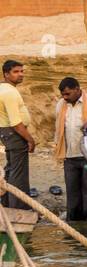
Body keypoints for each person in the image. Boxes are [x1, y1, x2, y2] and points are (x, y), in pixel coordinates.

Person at [53, 77, 87, 220]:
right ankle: (74, 221)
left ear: (77, 90)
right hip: (70, 155)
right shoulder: (61, 104)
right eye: (63, 94)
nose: (64, 97)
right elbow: (58, 126)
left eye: (67, 94)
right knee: (72, 192)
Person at [0, 60, 35, 210]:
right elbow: (16, 122)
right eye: (16, 72)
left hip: (6, 133)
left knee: (11, 169)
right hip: (14, 133)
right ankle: (19, 209)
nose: (20, 74)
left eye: (22, 71)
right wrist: (30, 139)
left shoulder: (3, 89)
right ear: (6, 74)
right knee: (18, 174)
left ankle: (7, 204)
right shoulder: (9, 92)